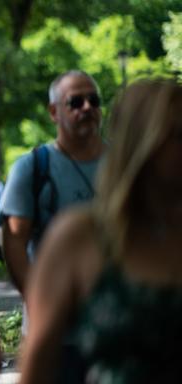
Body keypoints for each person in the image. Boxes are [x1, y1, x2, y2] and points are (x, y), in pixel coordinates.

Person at [20, 79, 182, 383]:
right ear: (144, 143)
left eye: (94, 100)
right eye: (178, 135)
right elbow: (14, 237)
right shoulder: (79, 236)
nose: (87, 108)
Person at [0, 70, 105, 299]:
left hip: (120, 312)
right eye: (75, 102)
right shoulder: (31, 168)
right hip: (57, 311)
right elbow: (14, 242)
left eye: (94, 100)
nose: (87, 107)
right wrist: (39, 303)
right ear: (54, 112)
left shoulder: (126, 162)